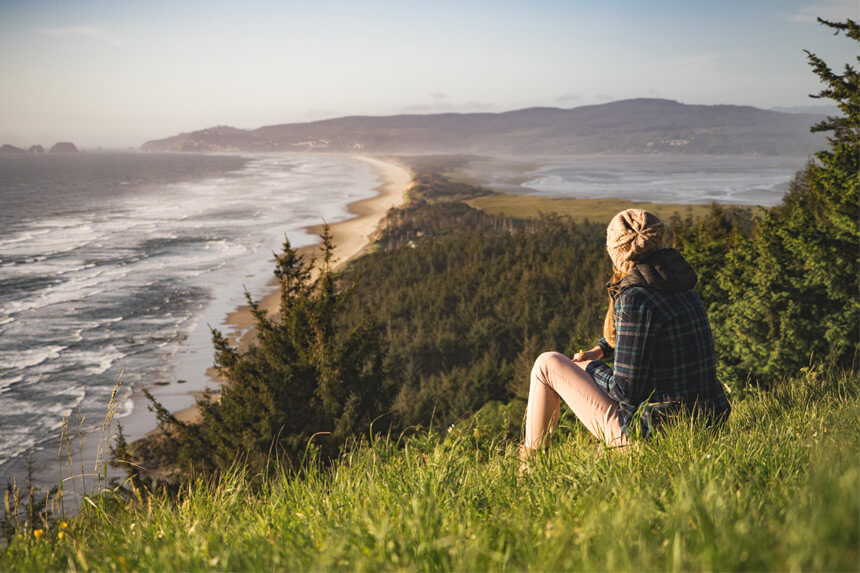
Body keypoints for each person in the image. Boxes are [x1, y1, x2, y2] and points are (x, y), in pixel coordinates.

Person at [520, 209, 731, 457]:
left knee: (547, 364)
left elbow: (626, 392)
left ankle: (531, 466)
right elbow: (647, 335)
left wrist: (589, 367)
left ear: (616, 252)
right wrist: (601, 348)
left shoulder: (635, 298)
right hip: (709, 424)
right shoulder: (680, 283)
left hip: (660, 435)